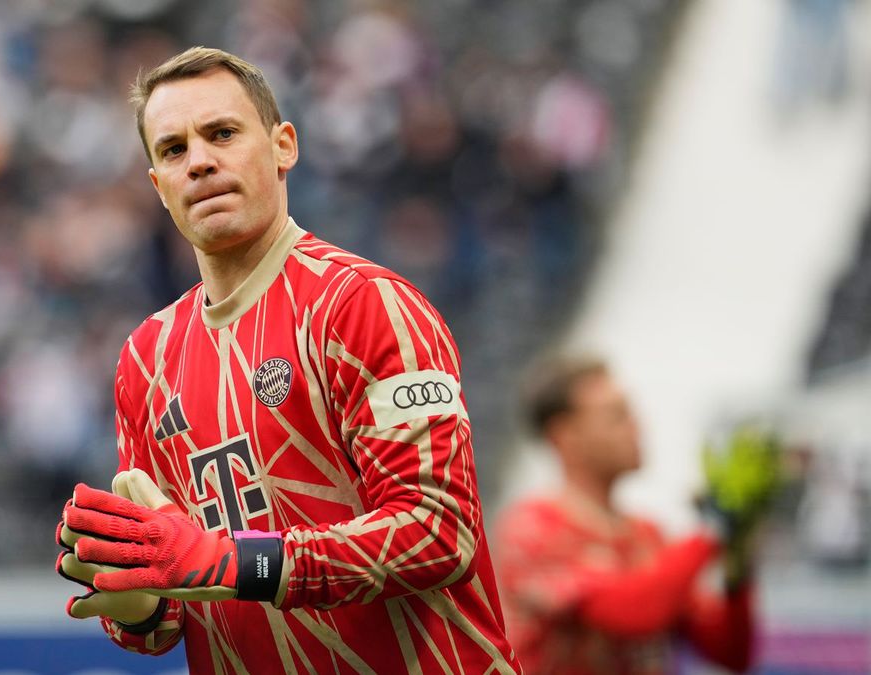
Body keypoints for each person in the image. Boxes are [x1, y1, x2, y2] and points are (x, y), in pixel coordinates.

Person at [54, 47, 521, 674]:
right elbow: (168, 611)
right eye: (173, 150)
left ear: (283, 147)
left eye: (222, 133)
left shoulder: (364, 306)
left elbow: (438, 532)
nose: (199, 161)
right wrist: (137, 600)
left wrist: (232, 562)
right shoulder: (146, 358)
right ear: (158, 187)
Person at [494, 355, 761, 674]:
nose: (637, 426)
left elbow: (730, 652)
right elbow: (634, 611)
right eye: (617, 416)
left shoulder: (647, 533)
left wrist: (738, 563)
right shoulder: (532, 528)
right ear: (566, 436)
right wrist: (713, 533)